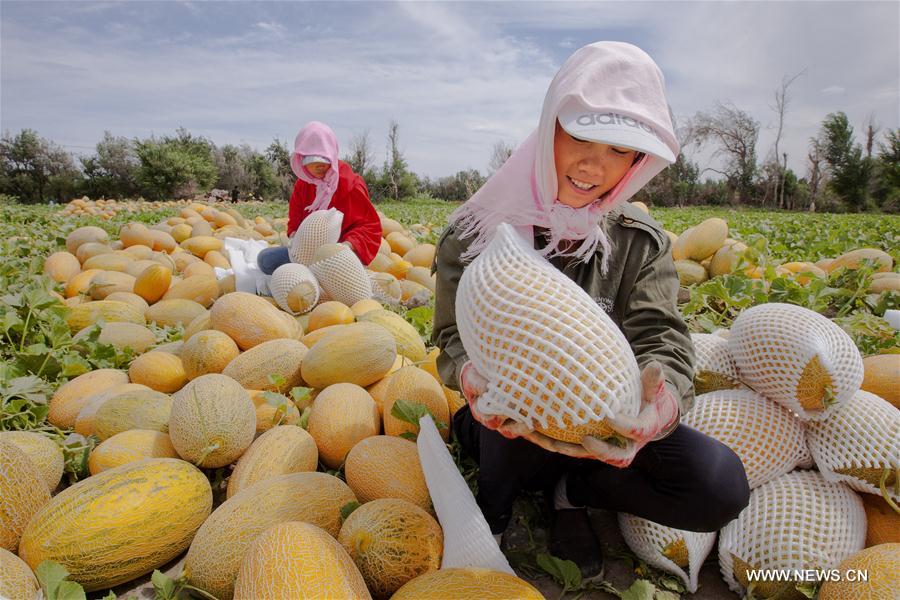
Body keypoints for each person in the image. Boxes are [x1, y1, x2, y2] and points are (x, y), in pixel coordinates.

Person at [432, 41, 750, 579]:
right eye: (579, 135)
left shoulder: (637, 241)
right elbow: (449, 335)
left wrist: (658, 409)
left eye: (620, 150)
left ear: (637, 162)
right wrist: (469, 377)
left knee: (718, 485)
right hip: (502, 422)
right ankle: (497, 507)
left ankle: (573, 491)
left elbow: (663, 340)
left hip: (601, 425)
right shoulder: (475, 232)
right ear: (548, 126)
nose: (594, 166)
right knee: (516, 392)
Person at [257, 121, 382, 274]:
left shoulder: (351, 184)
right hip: (308, 253)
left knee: (332, 271)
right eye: (311, 161)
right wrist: (295, 238)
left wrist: (347, 246)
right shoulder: (302, 185)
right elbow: (295, 219)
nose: (319, 166)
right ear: (300, 161)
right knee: (265, 260)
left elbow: (369, 227)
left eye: (324, 160)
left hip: (340, 255)